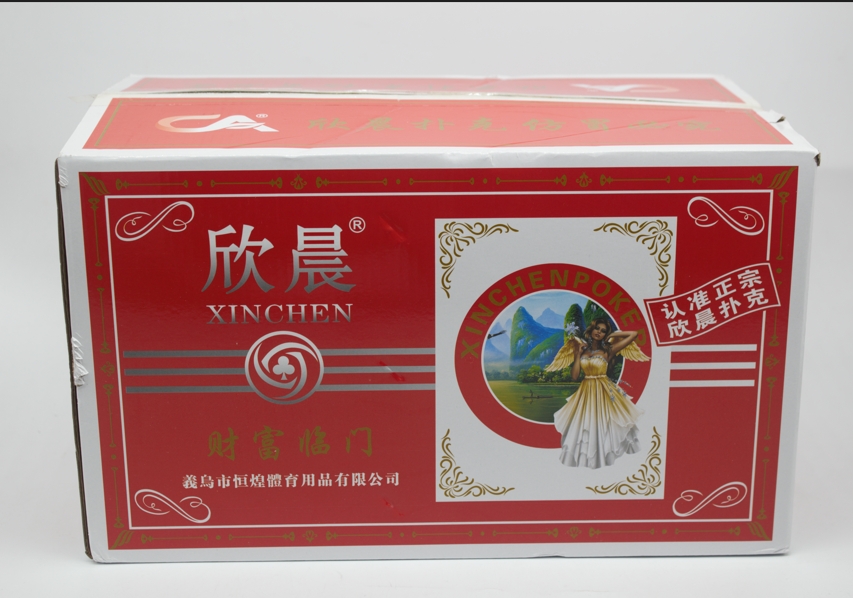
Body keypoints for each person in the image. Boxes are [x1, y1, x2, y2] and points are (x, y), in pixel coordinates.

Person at [545, 318, 649, 469]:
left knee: (606, 422)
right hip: (586, 390)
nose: (599, 332)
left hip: (603, 389)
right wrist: (577, 354)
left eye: (603, 331)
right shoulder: (581, 349)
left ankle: (605, 457)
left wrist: (612, 335)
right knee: (586, 424)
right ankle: (589, 460)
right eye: (597, 328)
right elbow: (575, 376)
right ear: (591, 329)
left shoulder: (609, 350)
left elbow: (633, 334)